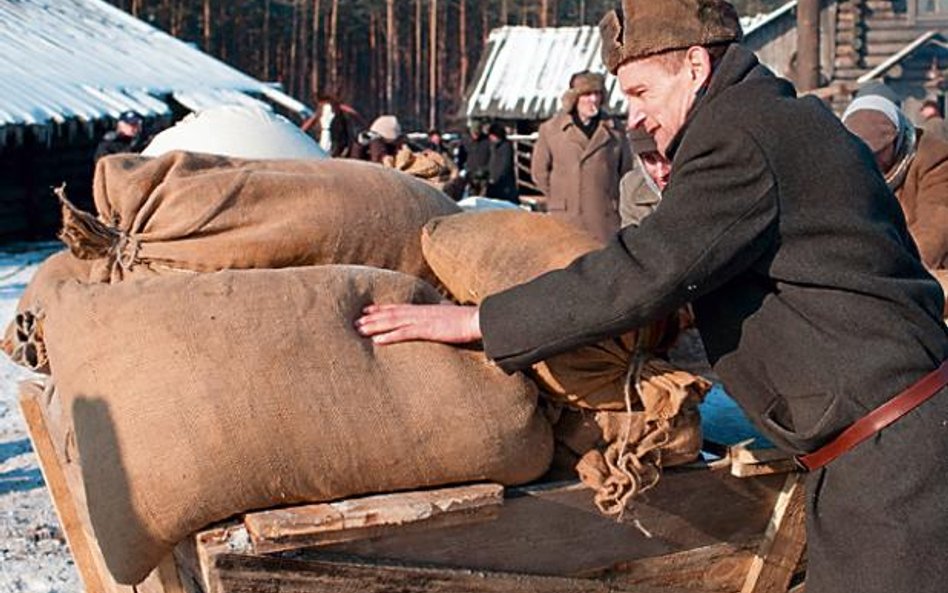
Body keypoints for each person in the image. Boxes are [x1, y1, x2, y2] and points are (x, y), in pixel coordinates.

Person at [356, 2, 948, 592]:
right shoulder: (776, 118)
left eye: (641, 91)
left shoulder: (739, 135)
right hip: (886, 440)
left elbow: (646, 268)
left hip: (890, 459)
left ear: (694, 66)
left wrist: (479, 320)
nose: (635, 116)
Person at [842, 95, 948, 314]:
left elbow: (935, 230)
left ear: (897, 139)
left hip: (920, 275)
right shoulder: (846, 169)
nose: (872, 160)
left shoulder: (934, 158)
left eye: (879, 152)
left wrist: (890, 268)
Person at [530, 70, 631, 242]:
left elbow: (626, 170)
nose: (593, 99)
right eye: (587, 94)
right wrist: (560, 197)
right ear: (574, 98)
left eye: (597, 94)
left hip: (603, 217)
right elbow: (539, 172)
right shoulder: (551, 129)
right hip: (565, 218)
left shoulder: (615, 130)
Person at [618, 128, 670, 227]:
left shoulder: (703, 181)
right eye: (650, 159)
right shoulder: (631, 187)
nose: (661, 173)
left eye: (667, 159)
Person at [486, 122, 519, 204]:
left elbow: (504, 165)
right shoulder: (493, 147)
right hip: (493, 182)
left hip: (503, 184)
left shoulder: (505, 147)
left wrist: (495, 178)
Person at [458, 121, 491, 196]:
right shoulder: (466, 141)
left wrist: (486, 169)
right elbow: (461, 157)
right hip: (471, 174)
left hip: (483, 175)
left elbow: (492, 158)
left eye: (477, 133)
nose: (475, 135)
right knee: (471, 197)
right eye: (474, 133)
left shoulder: (487, 142)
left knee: (483, 198)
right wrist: (461, 168)